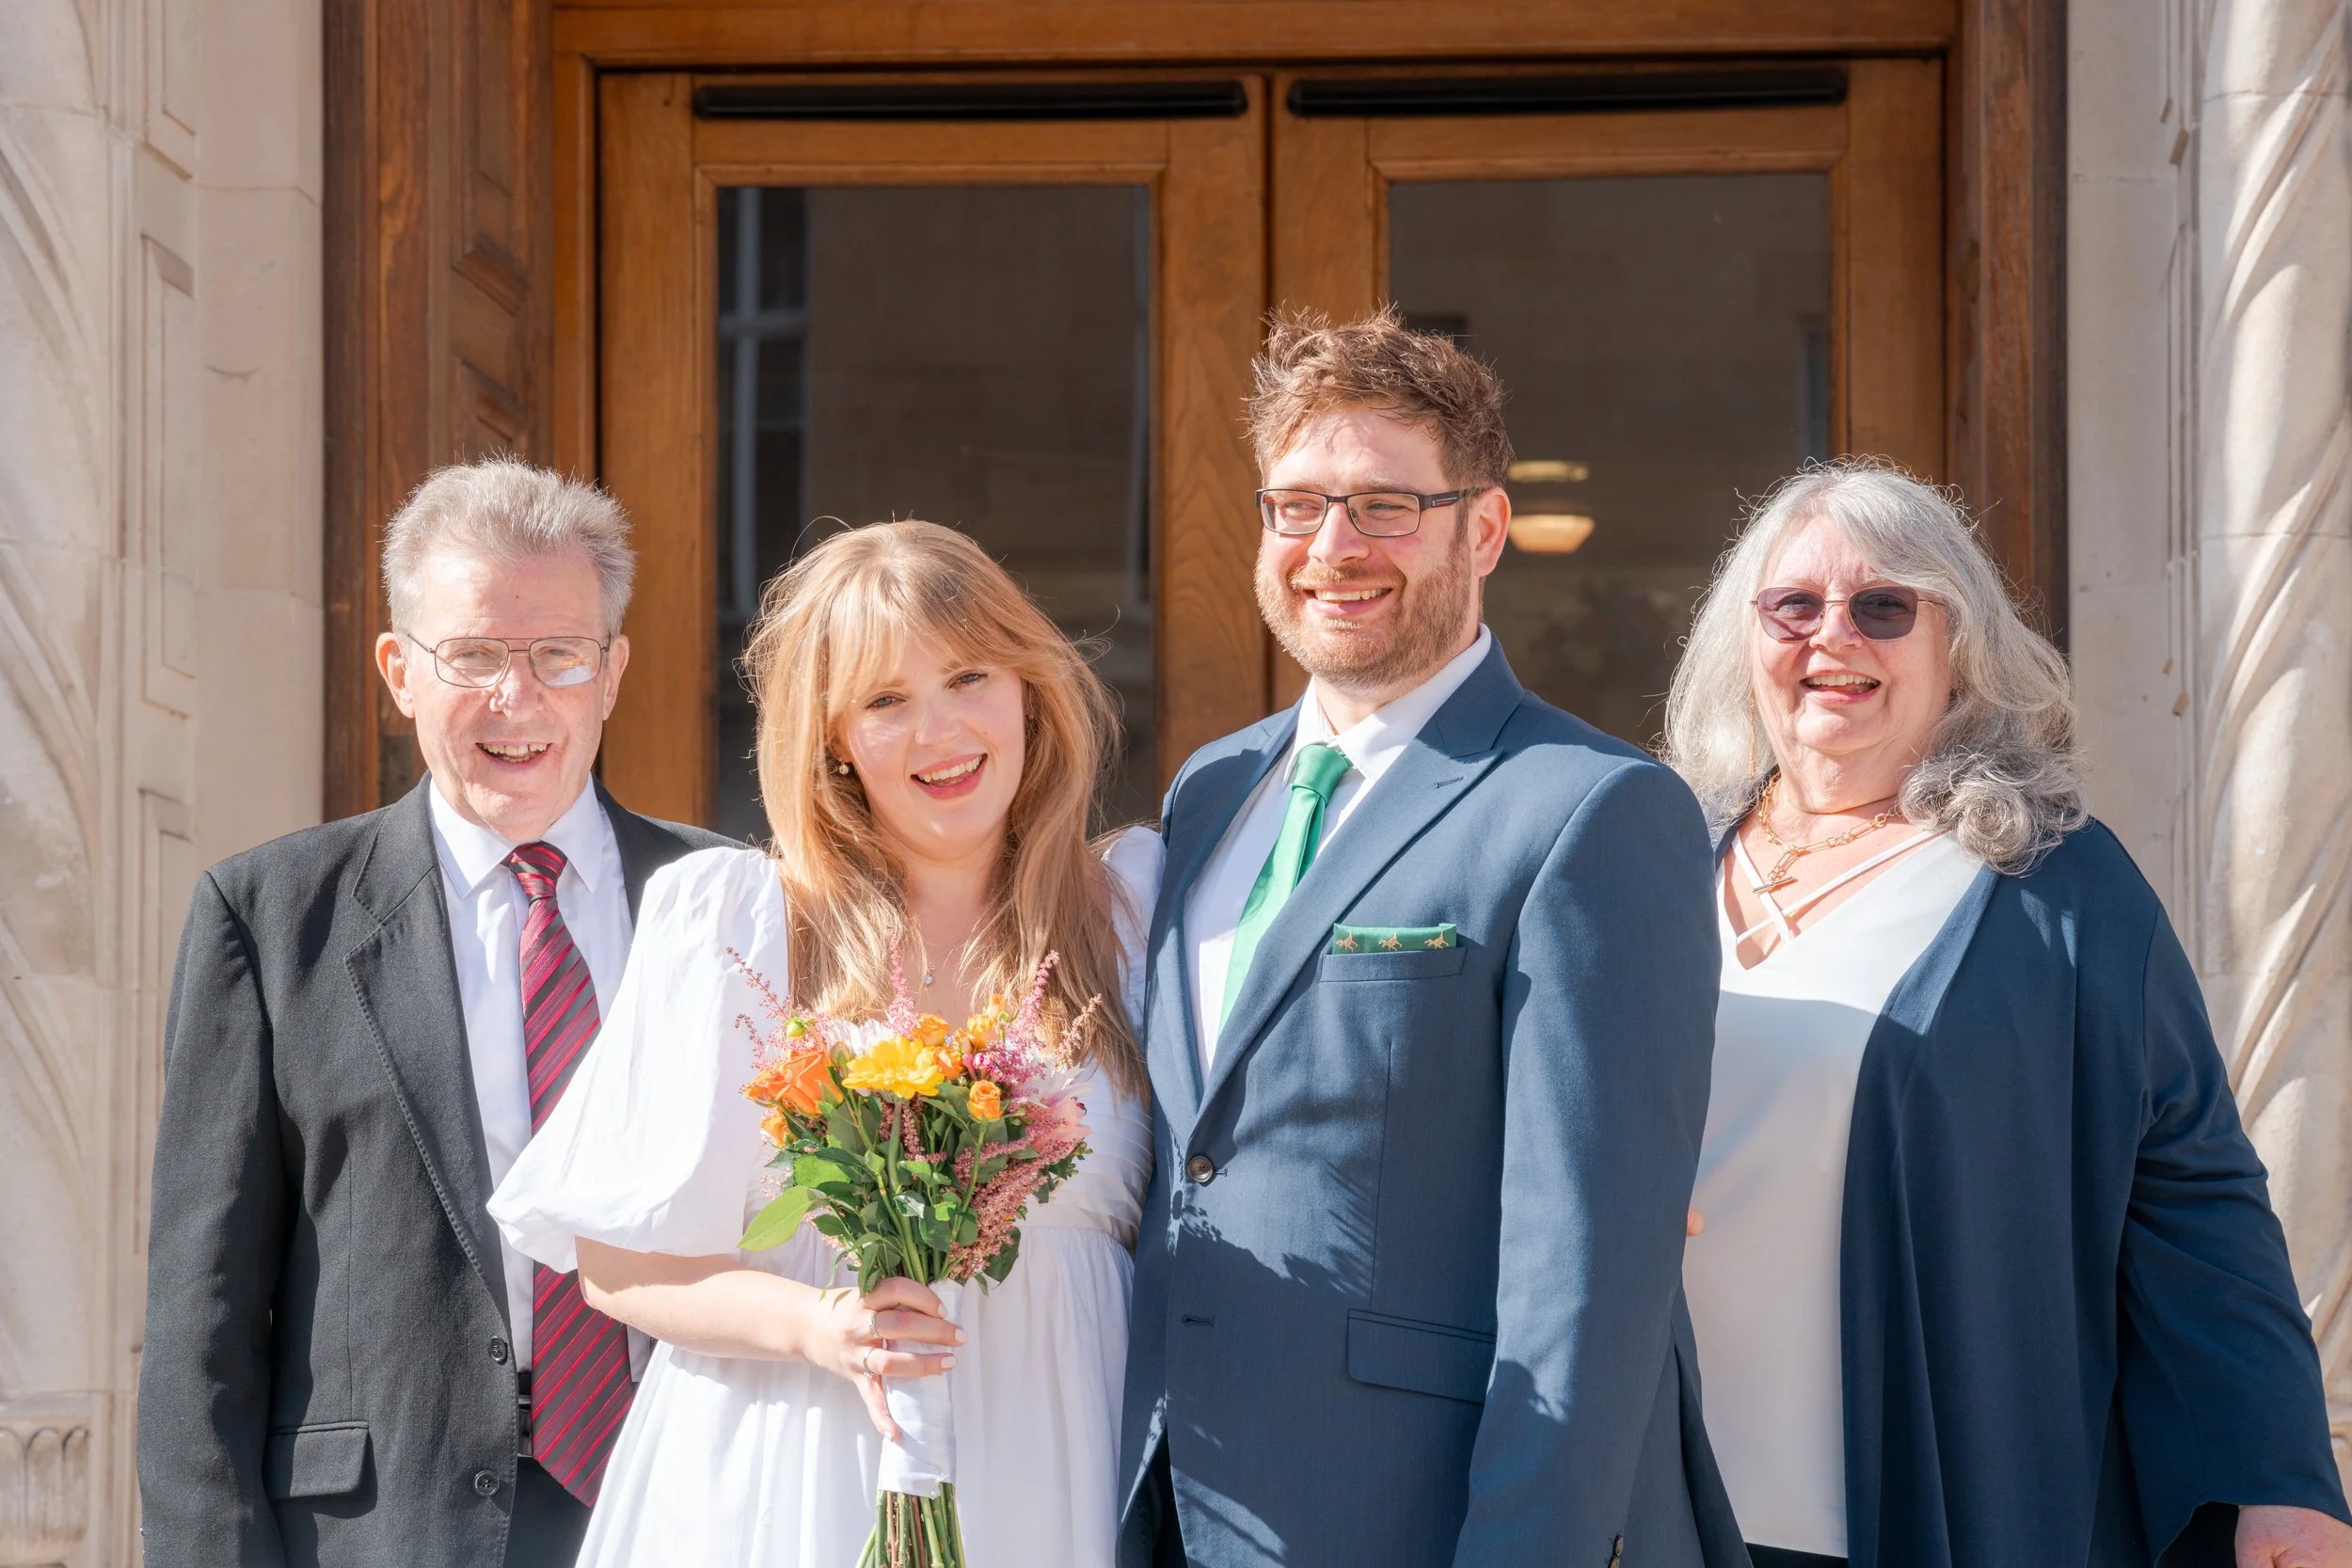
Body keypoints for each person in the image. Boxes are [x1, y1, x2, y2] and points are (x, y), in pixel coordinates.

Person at [1118, 309, 1745, 1568]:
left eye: (1384, 506)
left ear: (1486, 528)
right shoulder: (1208, 790)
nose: (1331, 547)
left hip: (1427, 1515)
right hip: (1181, 1499)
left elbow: (1590, 1271)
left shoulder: (1594, 809)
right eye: (1295, 505)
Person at [1663, 460, 2352, 1568]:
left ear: (1960, 652)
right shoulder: (1657, 864)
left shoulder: (2054, 888)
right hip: (1662, 1511)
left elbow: (2193, 1191)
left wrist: (2277, 1474)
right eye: (1793, 604)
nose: (1830, 635)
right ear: (1743, 641)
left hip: (1919, 1507)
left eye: (1883, 606)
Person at [485, 519, 1159, 1567]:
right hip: (780, 1476)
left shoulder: (1131, 916)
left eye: (970, 675)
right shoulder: (735, 924)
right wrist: (822, 1323)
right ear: (833, 737)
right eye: (886, 700)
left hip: (1054, 1472)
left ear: (1029, 686)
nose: (940, 729)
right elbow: (617, 1264)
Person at [138, 461, 732, 1567]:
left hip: (694, 1500)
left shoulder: (730, 899)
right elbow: (201, 1314)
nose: (520, 697)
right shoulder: (270, 917)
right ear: (399, 669)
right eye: (473, 655)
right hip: (379, 1527)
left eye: (559, 653)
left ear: (612, 672)